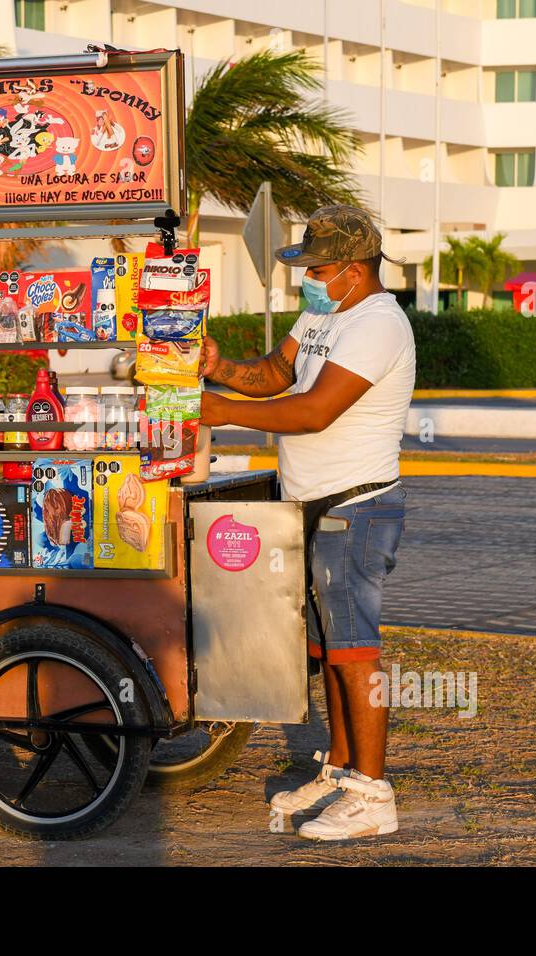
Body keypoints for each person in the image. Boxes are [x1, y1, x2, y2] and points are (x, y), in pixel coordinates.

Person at [198, 205, 415, 841]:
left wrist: (220, 409)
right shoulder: (324, 311)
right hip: (312, 504)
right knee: (326, 648)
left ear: (353, 269)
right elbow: (275, 374)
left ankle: (375, 797)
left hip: (357, 505)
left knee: (356, 653)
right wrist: (220, 369)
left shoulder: (378, 325)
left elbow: (316, 410)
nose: (307, 279)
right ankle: (342, 769)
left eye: (317, 268)